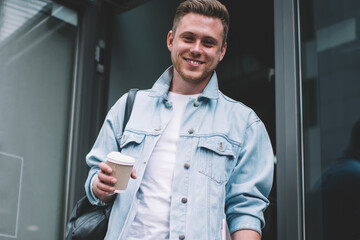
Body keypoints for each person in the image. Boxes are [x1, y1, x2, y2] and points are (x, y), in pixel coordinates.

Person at [85, 0, 274, 239]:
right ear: (171, 40)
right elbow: (95, 177)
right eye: (188, 38)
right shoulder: (128, 107)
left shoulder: (245, 123)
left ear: (222, 51)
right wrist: (100, 187)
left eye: (208, 42)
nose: (197, 49)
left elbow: (246, 210)